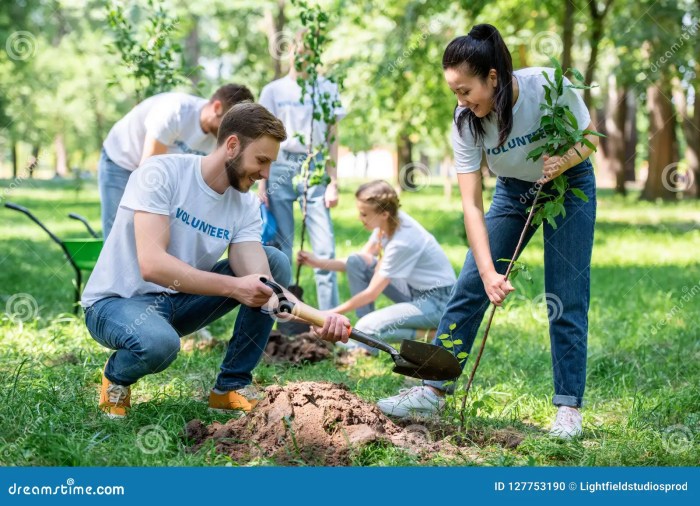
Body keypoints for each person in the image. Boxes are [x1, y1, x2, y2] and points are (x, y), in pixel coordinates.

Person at [377, 24, 599, 439]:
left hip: (569, 186)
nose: (460, 101)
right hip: (513, 192)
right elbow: (471, 205)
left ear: (492, 77)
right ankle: (431, 388)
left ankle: (568, 408)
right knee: (467, 288)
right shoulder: (466, 122)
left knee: (566, 294)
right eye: (455, 92)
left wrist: (564, 161)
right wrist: (487, 272)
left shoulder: (547, 87)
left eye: (465, 90)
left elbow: (590, 138)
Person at [82, 103, 350, 418]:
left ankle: (230, 387)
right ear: (232, 146)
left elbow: (264, 284)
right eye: (261, 160)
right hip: (116, 303)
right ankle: (116, 379)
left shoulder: (245, 204)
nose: (265, 174)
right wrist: (234, 287)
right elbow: (152, 265)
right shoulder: (162, 173)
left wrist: (316, 320)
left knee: (274, 260)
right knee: (159, 344)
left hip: (178, 303)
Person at [298, 180, 456, 351]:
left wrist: (329, 315)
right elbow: (359, 260)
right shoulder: (387, 223)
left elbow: (371, 293)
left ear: (384, 214)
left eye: (364, 214)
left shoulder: (403, 241)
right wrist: (318, 263)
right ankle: (363, 337)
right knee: (356, 262)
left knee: (368, 326)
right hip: (413, 291)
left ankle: (428, 334)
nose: (360, 218)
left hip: (438, 303)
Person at [258, 34, 345, 310]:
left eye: (310, 53)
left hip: (315, 165)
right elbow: (262, 136)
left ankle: (328, 318)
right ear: (290, 52)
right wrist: (262, 184)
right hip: (280, 164)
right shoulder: (274, 91)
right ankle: (281, 313)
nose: (304, 58)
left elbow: (332, 137)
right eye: (299, 52)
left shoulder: (327, 89)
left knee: (324, 249)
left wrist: (333, 180)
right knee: (282, 247)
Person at [99, 84, 254, 238]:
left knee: (157, 233)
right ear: (217, 107)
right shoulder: (176, 111)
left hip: (155, 170)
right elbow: (148, 170)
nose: (231, 133)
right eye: (230, 124)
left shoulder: (222, 138)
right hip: (121, 160)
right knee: (120, 230)